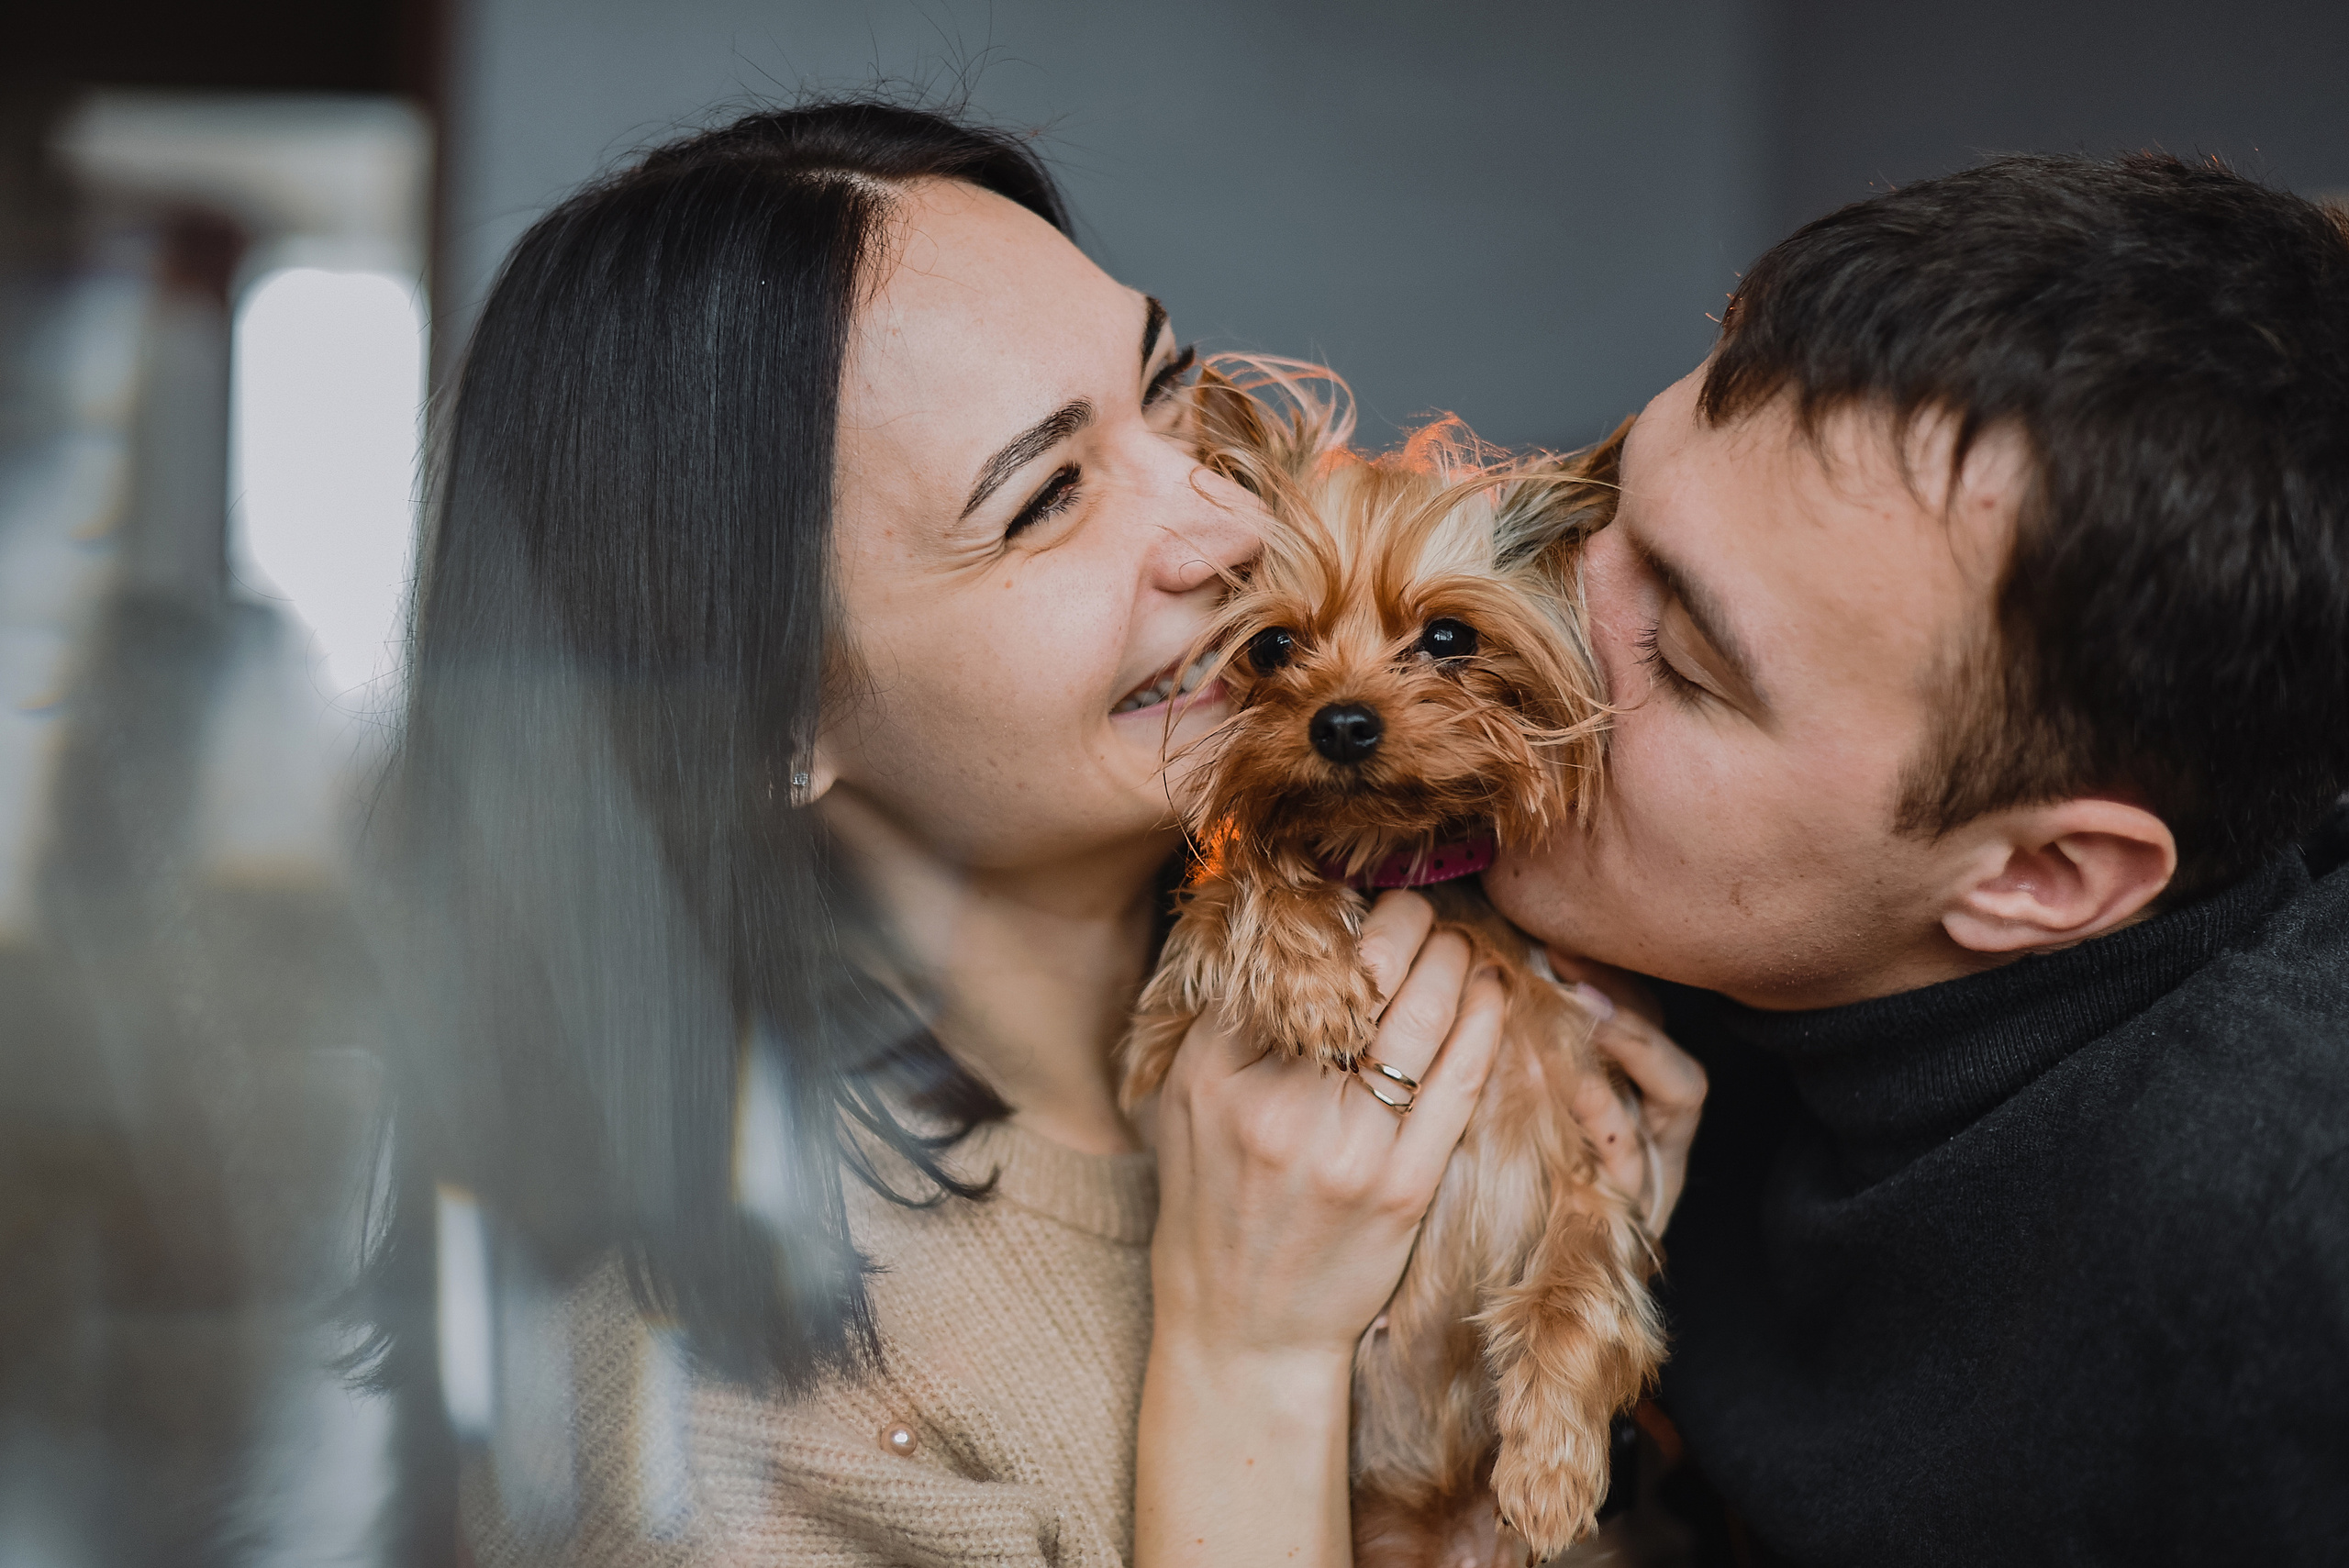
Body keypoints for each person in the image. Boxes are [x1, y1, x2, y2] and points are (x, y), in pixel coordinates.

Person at [363, 99, 1703, 1568]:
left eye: (1171, 389)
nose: (1226, 521)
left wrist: (1605, 1277)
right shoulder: (721, 1429)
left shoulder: (1420, 1000)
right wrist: (1245, 1354)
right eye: (1046, 496)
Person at [1488, 152, 2349, 1565]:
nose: (1531, 616)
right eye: (1602, 497)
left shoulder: (2279, 1257)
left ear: (2040, 878)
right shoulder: (1706, 904)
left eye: (1688, 663)